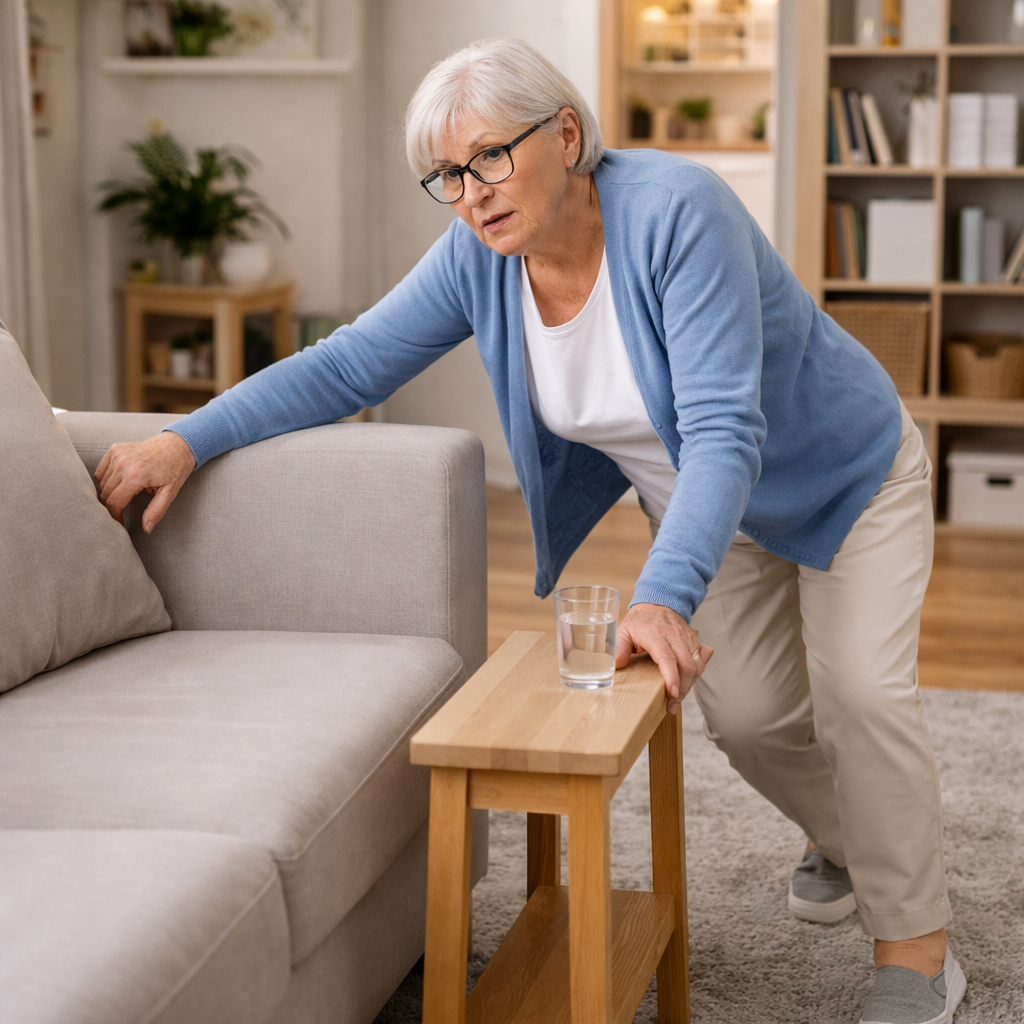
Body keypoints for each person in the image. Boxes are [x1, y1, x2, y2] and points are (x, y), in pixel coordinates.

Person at [95, 38, 965, 1024]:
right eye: (448, 175)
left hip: (844, 474)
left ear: (564, 133)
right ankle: (849, 838)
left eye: (491, 158)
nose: (472, 192)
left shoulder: (679, 212)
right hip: (707, 511)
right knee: (751, 716)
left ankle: (916, 946)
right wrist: (185, 437)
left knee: (858, 691)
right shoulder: (480, 257)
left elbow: (726, 428)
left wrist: (660, 595)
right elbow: (348, 365)